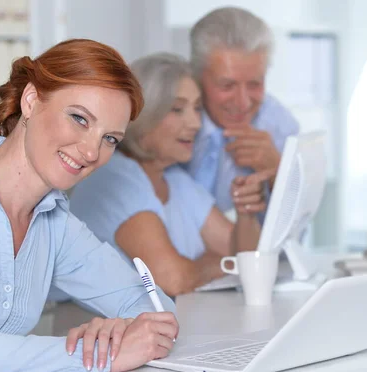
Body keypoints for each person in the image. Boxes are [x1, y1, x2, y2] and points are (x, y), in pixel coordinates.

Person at [0, 39, 179, 372]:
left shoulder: (55, 223)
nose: (92, 152)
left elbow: (158, 309)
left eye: (110, 139)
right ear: (31, 101)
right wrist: (99, 355)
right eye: (79, 118)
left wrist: (120, 330)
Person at [71, 53, 268, 296]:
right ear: (141, 115)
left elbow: (248, 259)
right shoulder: (113, 178)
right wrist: (216, 262)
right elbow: (173, 280)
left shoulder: (176, 180)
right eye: (177, 109)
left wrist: (246, 212)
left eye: (197, 109)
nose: (195, 123)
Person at [184, 6, 299, 213]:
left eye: (255, 84)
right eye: (227, 86)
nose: (243, 103)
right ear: (197, 76)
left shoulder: (281, 128)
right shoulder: (164, 117)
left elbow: (295, 238)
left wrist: (278, 176)